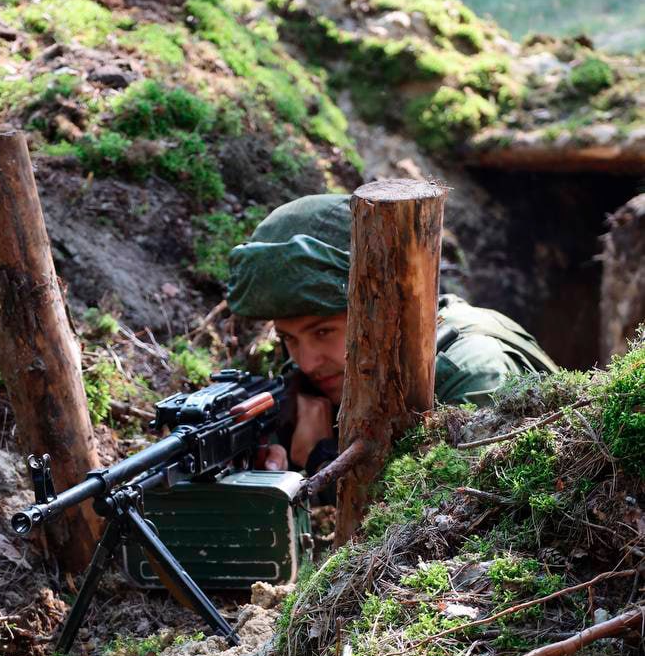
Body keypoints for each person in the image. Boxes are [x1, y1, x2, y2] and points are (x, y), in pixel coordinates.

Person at [225, 194, 557, 476]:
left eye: (323, 331)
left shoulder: (473, 371)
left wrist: (322, 461)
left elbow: (461, 510)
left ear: (383, 309)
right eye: (289, 339)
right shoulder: (318, 380)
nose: (308, 362)